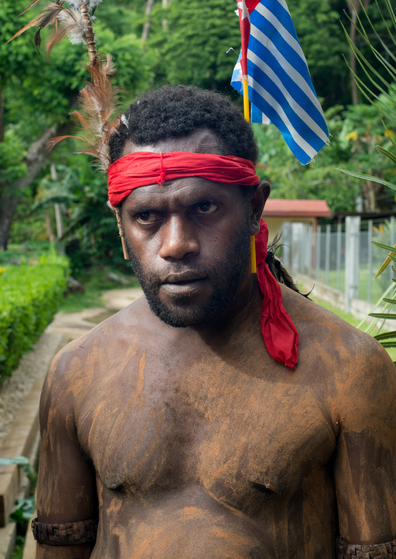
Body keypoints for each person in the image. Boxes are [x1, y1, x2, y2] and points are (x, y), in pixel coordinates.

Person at [33, 86, 396, 558]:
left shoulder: (349, 369)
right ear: (121, 228)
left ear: (254, 209)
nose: (176, 244)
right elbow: (59, 547)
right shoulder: (76, 374)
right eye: (147, 216)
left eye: (204, 208)